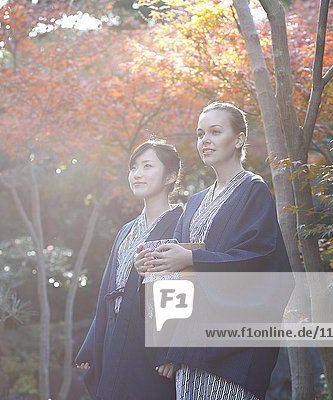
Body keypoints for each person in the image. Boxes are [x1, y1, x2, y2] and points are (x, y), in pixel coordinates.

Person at [135, 102, 293, 400]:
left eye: (215, 132)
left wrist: (192, 258)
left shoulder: (253, 190)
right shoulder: (194, 203)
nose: (204, 140)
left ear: (239, 139)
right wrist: (151, 263)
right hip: (191, 348)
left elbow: (257, 260)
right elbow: (178, 274)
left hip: (232, 349)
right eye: (200, 134)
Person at [75, 139, 184, 400]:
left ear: (171, 176)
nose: (137, 174)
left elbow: (185, 289)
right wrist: (93, 344)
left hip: (150, 339)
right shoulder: (126, 231)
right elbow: (106, 291)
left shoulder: (181, 223)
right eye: (134, 167)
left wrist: (173, 349)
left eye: (147, 166)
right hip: (117, 330)